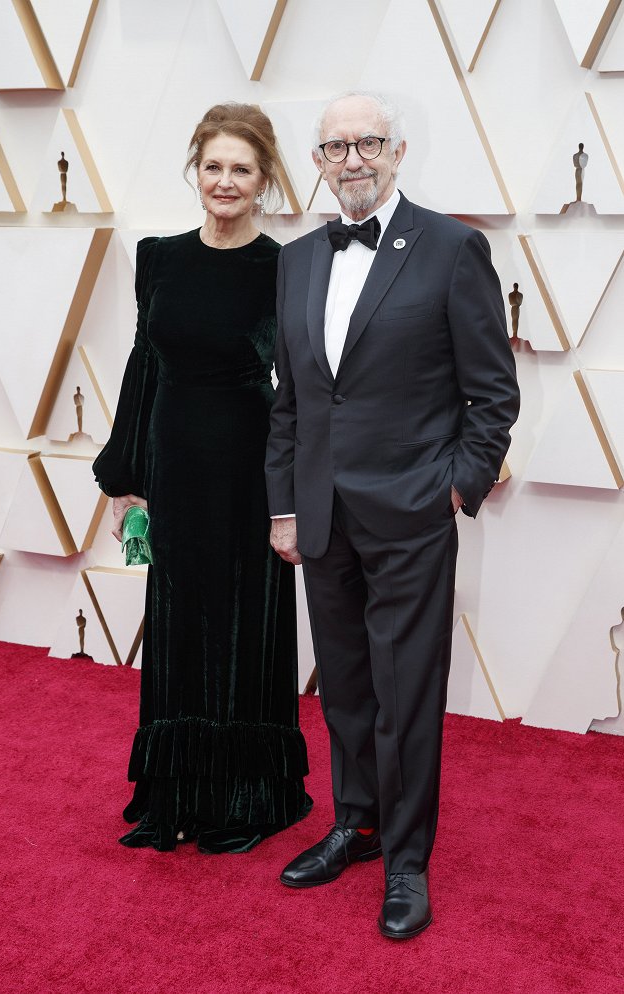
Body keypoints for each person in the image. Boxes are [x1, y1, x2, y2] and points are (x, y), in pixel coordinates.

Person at [266, 92, 519, 938]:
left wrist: (454, 485)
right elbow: (291, 401)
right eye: (335, 146)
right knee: (343, 688)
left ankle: (406, 861)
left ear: (398, 150)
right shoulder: (298, 259)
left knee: (404, 695)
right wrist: (283, 505)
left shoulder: (451, 248)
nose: (352, 159)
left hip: (411, 512)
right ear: (317, 162)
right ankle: (355, 825)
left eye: (367, 142)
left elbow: (492, 393)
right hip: (320, 514)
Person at [93, 103, 312, 855]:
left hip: (248, 468)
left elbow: (303, 386)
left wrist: (292, 496)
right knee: (180, 624)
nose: (224, 181)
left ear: (264, 182)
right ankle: (174, 795)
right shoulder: (157, 256)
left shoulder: (283, 266)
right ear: (197, 171)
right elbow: (142, 363)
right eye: (212, 166)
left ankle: (241, 799)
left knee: (243, 625)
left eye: (240, 170)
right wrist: (124, 474)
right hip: (172, 462)